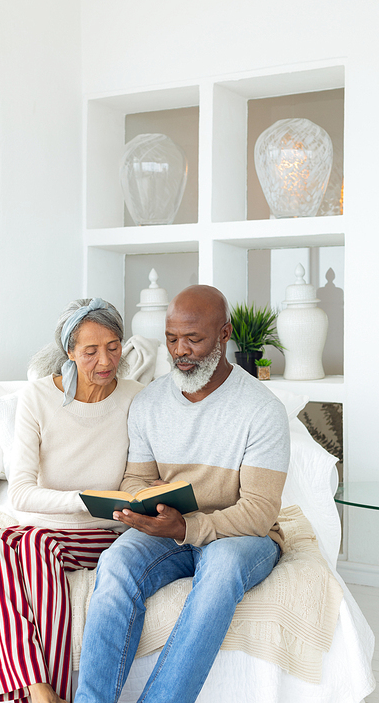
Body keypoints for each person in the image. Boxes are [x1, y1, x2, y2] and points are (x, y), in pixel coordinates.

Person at [74, 285, 291, 703]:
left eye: (194, 339)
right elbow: (135, 480)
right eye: (172, 339)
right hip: (170, 527)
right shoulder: (150, 401)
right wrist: (143, 506)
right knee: (116, 559)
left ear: (224, 333)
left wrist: (188, 526)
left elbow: (260, 511)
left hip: (243, 536)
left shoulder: (262, 410)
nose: (181, 351)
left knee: (223, 567)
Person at [0, 298, 143, 703]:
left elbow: (144, 475)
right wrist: (87, 498)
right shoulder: (37, 397)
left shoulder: (137, 397)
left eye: (113, 346)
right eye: (90, 351)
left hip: (102, 533)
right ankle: (40, 690)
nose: (105, 360)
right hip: (42, 524)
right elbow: (21, 490)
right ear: (69, 352)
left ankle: (43, 693)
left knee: (34, 546)